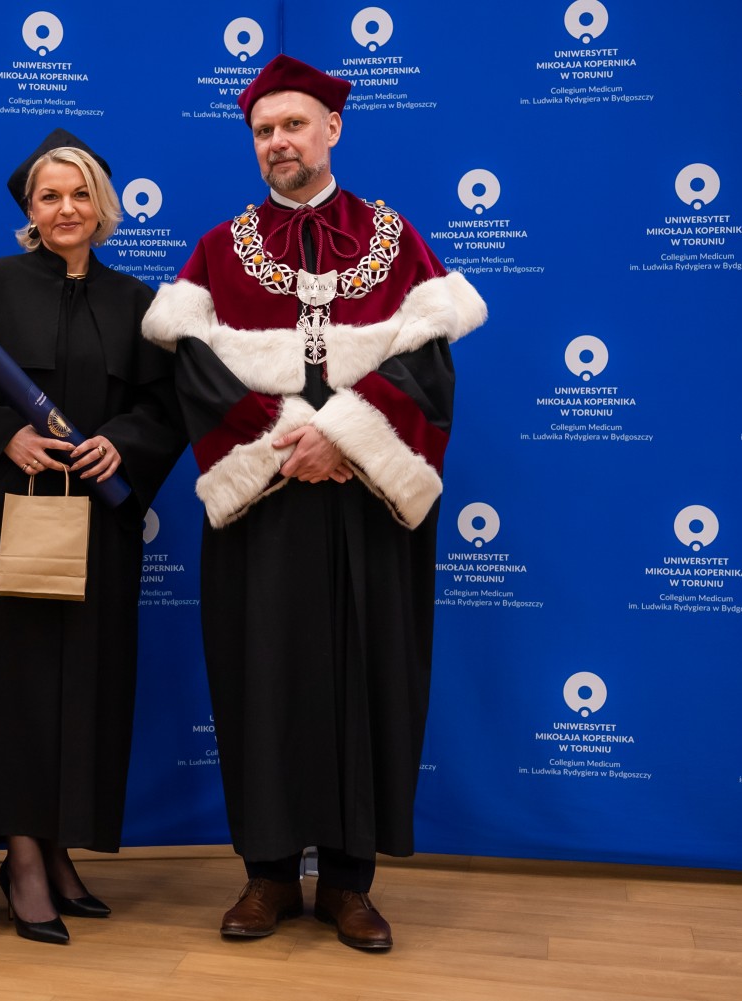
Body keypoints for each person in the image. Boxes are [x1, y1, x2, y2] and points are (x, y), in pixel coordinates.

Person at [141, 54, 486, 951]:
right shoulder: (218, 250)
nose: (278, 142)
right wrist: (290, 443)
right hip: (267, 503)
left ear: (333, 128)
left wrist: (351, 440)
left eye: (293, 125)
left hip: (368, 504)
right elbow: (197, 374)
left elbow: (430, 366)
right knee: (262, 675)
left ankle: (347, 880)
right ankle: (265, 874)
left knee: (367, 674)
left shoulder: (396, 239)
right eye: (263, 131)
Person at [0, 129, 184, 945]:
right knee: (14, 687)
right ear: (29, 211)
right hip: (9, 515)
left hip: (97, 520)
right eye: (49, 196)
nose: (66, 208)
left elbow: (167, 407)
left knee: (88, 683)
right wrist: (4, 435)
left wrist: (123, 443)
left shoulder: (138, 304)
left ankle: (61, 847)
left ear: (102, 206)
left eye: (79, 194)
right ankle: (23, 860)